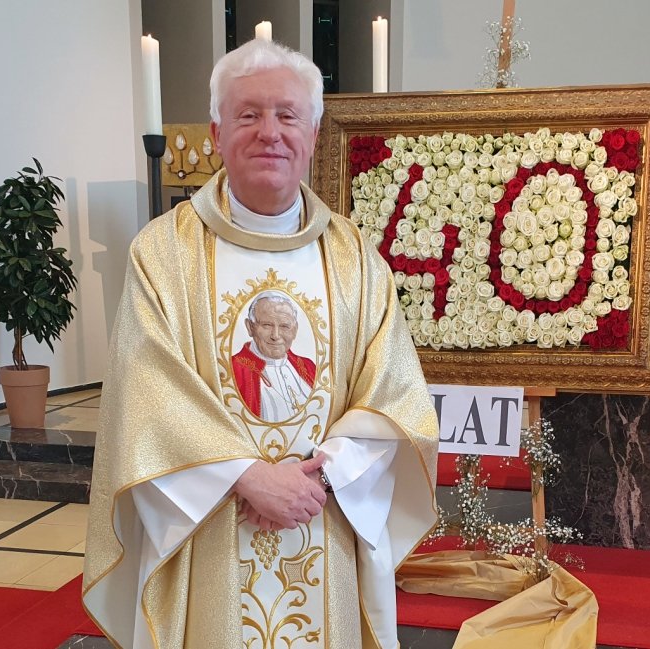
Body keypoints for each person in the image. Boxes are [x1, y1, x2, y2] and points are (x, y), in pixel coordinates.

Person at [83, 38, 439, 649]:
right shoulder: (164, 253)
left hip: (320, 517)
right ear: (218, 131)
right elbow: (147, 391)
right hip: (210, 530)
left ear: (315, 134)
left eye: (287, 115)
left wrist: (318, 481)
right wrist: (249, 477)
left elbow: (395, 393)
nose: (269, 132)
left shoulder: (355, 260)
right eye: (249, 115)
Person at [232, 291, 315, 420]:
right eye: (267, 325)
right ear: (250, 327)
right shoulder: (233, 370)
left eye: (284, 326)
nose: (275, 336)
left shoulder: (308, 367)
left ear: (295, 330)